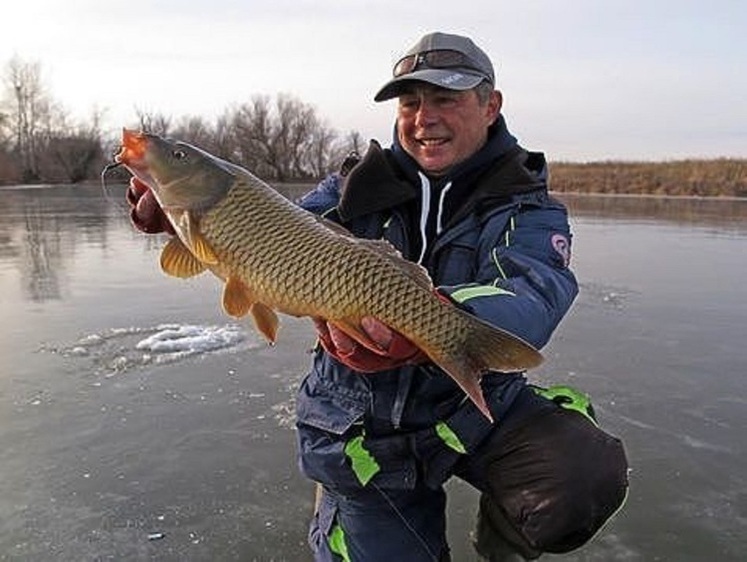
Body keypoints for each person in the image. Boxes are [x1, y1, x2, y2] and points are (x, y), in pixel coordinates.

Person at [127, 31, 628, 562]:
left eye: (446, 99)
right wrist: (181, 225)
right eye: (410, 102)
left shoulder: (528, 205)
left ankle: (501, 547)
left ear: (490, 106)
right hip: (359, 423)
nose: (423, 117)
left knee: (582, 472)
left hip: (472, 406)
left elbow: (531, 291)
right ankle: (346, 513)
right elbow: (276, 237)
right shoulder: (351, 186)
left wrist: (433, 324)